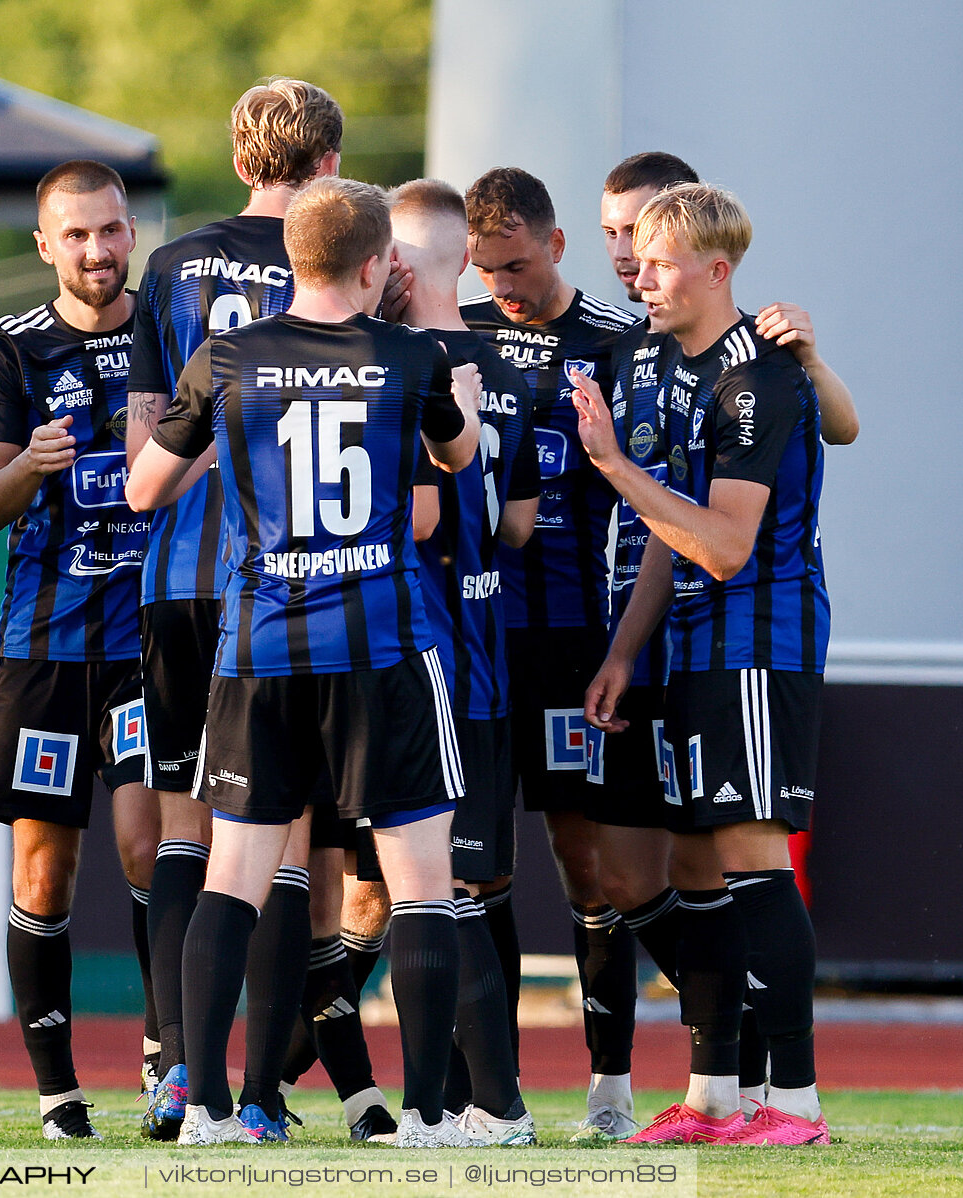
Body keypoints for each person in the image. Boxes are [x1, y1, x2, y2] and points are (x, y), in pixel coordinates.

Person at [128, 176, 484, 1148]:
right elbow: (460, 458)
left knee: (232, 877)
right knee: (418, 882)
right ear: (378, 265)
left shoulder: (228, 357)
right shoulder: (411, 356)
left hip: (260, 646)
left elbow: (146, 486)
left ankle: (204, 1110)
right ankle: (428, 1115)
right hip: (382, 646)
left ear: (293, 258)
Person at [127, 76, 393, 1144]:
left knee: (192, 838)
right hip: (296, 592)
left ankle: (174, 1075)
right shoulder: (336, 255)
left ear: (242, 162)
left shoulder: (173, 265)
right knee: (289, 850)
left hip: (179, 583)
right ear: (334, 162)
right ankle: (264, 1095)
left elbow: (146, 445)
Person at [585, 152, 861, 1140]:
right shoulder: (698, 373)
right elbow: (681, 529)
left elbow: (728, 545)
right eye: (633, 258)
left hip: (755, 639)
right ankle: (715, 1094)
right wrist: (627, 649)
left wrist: (613, 465)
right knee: (698, 859)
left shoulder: (756, 377)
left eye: (656, 261)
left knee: (752, 855)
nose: (638, 276)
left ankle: (796, 1100)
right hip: (692, 643)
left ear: (716, 270)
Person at [0, 160, 157, 1140]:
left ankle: (168, 1063)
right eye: (76, 235)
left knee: (151, 844)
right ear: (45, 246)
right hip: (47, 642)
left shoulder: (168, 327)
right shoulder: (13, 348)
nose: (97, 250)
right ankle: (57, 1092)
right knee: (44, 873)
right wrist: (32, 466)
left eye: (111, 231)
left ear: (133, 233)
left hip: (152, 641)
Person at [459, 167, 639, 1121]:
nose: (504, 288)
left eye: (517, 266)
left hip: (576, 640)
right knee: (476, 865)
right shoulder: (454, 337)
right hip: (475, 643)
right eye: (487, 271)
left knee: (593, 866)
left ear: (557, 245)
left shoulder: (615, 343)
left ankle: (610, 1078)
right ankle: (498, 1091)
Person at [391, 179, 540, 1145]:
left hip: (421, 653)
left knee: (426, 888)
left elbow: (422, 515)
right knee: (466, 886)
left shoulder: (404, 366)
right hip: (487, 653)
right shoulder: (511, 369)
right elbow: (520, 525)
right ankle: (462, 1101)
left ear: (398, 266)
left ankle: (485, 1104)